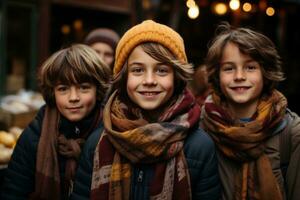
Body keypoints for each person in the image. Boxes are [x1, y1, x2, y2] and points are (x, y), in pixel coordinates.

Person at [71, 20, 220, 200]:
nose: (149, 80)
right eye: (138, 70)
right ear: (124, 78)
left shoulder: (199, 147)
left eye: (162, 70)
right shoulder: (97, 143)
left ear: (177, 77)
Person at [201, 22, 300, 200]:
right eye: (229, 68)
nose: (239, 76)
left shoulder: (291, 133)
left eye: (250, 67)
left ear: (265, 72)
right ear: (217, 75)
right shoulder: (202, 128)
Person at [0, 44, 111, 199]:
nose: (73, 98)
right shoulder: (34, 135)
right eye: (63, 89)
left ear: (97, 90)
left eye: (84, 88)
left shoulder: (110, 135)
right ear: (53, 92)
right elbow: (13, 192)